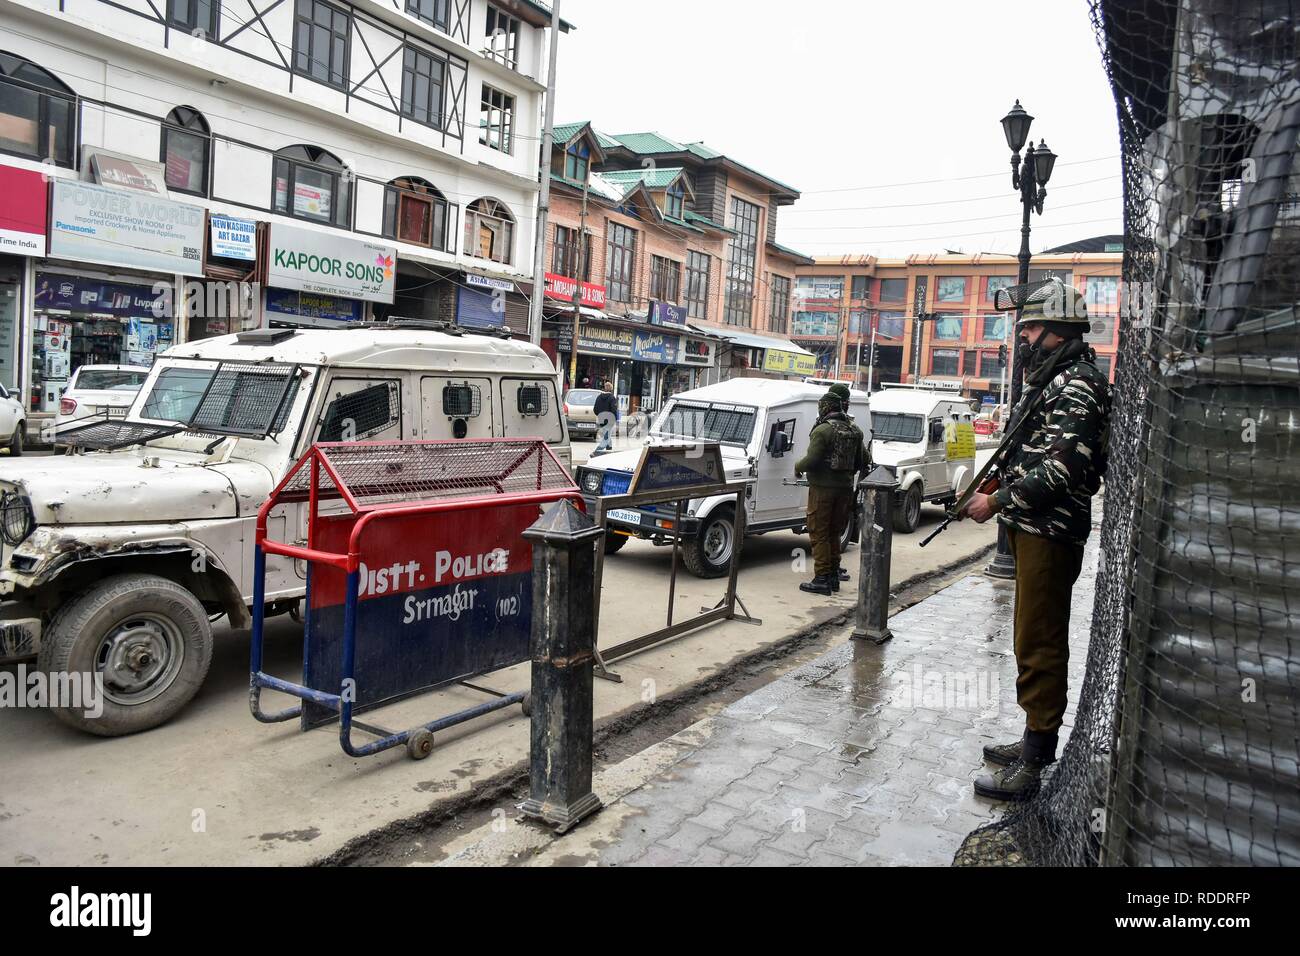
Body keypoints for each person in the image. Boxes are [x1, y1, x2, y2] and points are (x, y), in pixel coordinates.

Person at [960, 280, 1112, 801]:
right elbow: (1033, 453)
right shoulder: (1055, 379)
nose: (1022, 336)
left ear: (1056, 331)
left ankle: (1036, 757)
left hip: (1052, 531)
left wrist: (996, 502)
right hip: (1034, 529)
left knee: (1039, 638)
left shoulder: (1079, 385)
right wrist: (998, 483)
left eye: (1029, 327)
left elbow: (1064, 467)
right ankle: (1034, 741)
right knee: (1030, 636)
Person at [795, 384, 867, 595]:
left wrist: (797, 467)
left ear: (824, 408)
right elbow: (863, 460)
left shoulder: (822, 430)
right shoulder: (855, 430)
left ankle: (822, 578)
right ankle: (834, 575)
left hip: (822, 490)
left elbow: (812, 460)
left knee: (819, 532)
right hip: (845, 489)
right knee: (835, 532)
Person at [592, 380, 619, 454]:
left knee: (607, 436)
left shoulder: (599, 397)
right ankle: (596, 452)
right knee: (606, 439)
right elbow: (614, 410)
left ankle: (609, 451)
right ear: (611, 389)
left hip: (601, 420)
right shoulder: (612, 398)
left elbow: (595, 409)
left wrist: (599, 415)